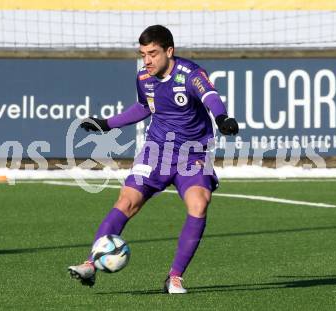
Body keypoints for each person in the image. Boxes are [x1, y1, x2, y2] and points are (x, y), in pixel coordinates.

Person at [68, 25, 238, 294]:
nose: (146, 60)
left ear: (169, 51)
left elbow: (210, 96)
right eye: (143, 54)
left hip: (194, 153)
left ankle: (175, 277)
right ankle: (91, 263)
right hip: (156, 150)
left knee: (199, 204)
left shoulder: (190, 74)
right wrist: (107, 124)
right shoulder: (143, 78)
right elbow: (143, 107)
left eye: (153, 53)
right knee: (127, 200)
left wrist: (222, 118)